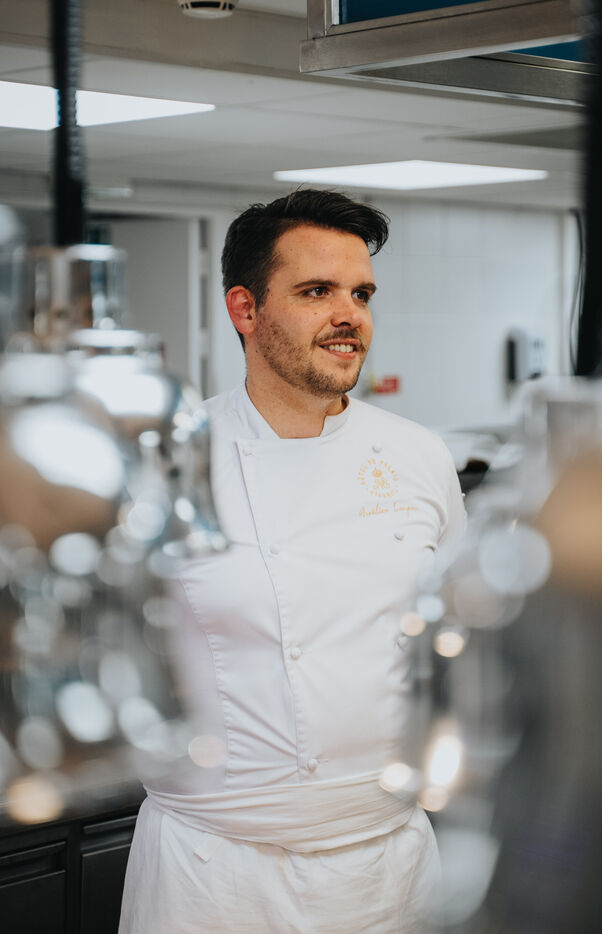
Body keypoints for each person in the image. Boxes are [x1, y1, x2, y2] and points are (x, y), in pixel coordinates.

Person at [119, 188, 465, 933]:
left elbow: (456, 636)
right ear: (244, 309)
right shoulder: (161, 462)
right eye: (316, 292)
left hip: (390, 863)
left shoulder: (417, 456)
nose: (349, 316)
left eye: (360, 294)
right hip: (214, 871)